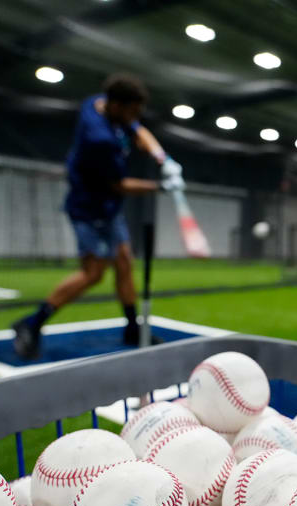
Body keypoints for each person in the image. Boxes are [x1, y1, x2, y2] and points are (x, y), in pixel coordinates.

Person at [12, 73, 185, 360]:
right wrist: (162, 187)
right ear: (116, 106)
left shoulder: (97, 102)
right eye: (131, 110)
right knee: (93, 274)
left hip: (109, 207)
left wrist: (162, 158)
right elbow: (118, 185)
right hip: (88, 209)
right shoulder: (99, 139)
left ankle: (132, 328)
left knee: (124, 262)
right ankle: (31, 323)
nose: (135, 116)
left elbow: (138, 129)